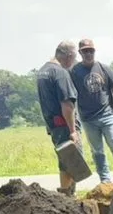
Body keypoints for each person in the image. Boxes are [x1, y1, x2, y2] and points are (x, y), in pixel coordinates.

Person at [71, 38, 113, 184]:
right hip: (88, 119)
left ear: (94, 51)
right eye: (85, 51)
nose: (88, 54)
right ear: (80, 53)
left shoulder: (105, 69)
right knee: (97, 151)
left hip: (107, 115)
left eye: (91, 51)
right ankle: (105, 181)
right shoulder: (74, 72)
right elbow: (69, 96)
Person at [36, 40, 85, 195]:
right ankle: (68, 197)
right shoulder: (60, 73)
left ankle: (67, 196)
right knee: (71, 161)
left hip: (54, 125)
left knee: (65, 159)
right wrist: (73, 131)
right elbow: (67, 105)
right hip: (64, 125)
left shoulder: (43, 71)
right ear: (69, 56)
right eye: (74, 57)